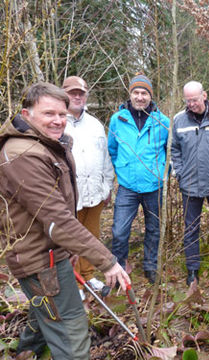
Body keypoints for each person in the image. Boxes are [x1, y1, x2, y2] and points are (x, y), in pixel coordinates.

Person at [0, 82, 130, 359]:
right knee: (71, 331)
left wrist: (68, 250)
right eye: (48, 114)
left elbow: (55, 214)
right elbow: (56, 218)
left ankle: (25, 354)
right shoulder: (24, 155)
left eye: (62, 114)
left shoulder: (47, 144)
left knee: (43, 315)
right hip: (39, 259)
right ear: (27, 113)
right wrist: (106, 261)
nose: (58, 120)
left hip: (49, 250)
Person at [108, 73, 170, 284]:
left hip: (154, 185)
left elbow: (169, 151)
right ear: (130, 94)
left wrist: (164, 172)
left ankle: (150, 266)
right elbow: (113, 150)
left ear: (150, 96)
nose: (140, 97)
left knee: (154, 228)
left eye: (144, 93)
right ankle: (118, 267)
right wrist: (122, 170)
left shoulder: (162, 122)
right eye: (136, 92)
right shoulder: (118, 120)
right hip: (127, 186)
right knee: (119, 230)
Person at [172, 81, 209, 285]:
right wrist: (179, 173)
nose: (191, 104)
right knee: (190, 228)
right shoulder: (179, 120)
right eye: (187, 101)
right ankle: (192, 270)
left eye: (195, 100)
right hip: (189, 185)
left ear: (204, 95)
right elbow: (174, 150)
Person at [62, 76, 114, 299]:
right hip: (70, 196)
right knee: (72, 239)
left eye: (81, 93)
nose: (77, 96)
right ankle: (75, 282)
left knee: (91, 236)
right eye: (73, 92)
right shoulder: (57, 122)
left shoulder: (95, 124)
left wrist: (107, 186)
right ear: (63, 94)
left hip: (95, 192)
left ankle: (89, 275)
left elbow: (105, 157)